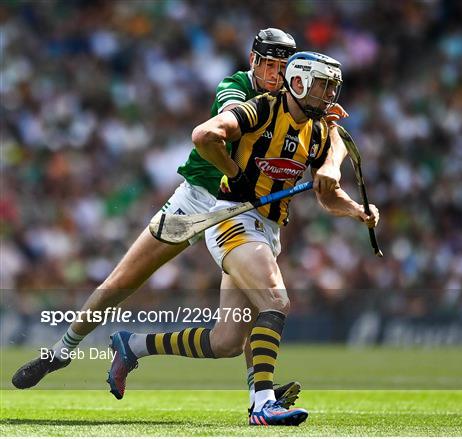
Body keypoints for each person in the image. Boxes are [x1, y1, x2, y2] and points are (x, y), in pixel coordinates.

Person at [12, 28, 327, 415]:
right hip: (197, 199)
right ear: (253, 60)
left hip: (241, 212)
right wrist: (235, 168)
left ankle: (258, 394)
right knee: (122, 282)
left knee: (247, 313)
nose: (275, 74)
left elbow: (322, 135)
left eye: (283, 68)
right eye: (269, 64)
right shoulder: (236, 88)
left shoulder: (291, 101)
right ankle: (61, 351)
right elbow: (223, 119)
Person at [108, 51, 379, 426]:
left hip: (266, 231)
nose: (329, 95)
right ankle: (262, 403)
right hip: (233, 219)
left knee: (226, 342)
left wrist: (355, 209)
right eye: (322, 86)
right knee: (276, 299)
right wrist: (236, 173)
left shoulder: (316, 131)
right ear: (297, 82)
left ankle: (133, 344)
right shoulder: (262, 109)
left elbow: (327, 195)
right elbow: (204, 136)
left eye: (333, 87)